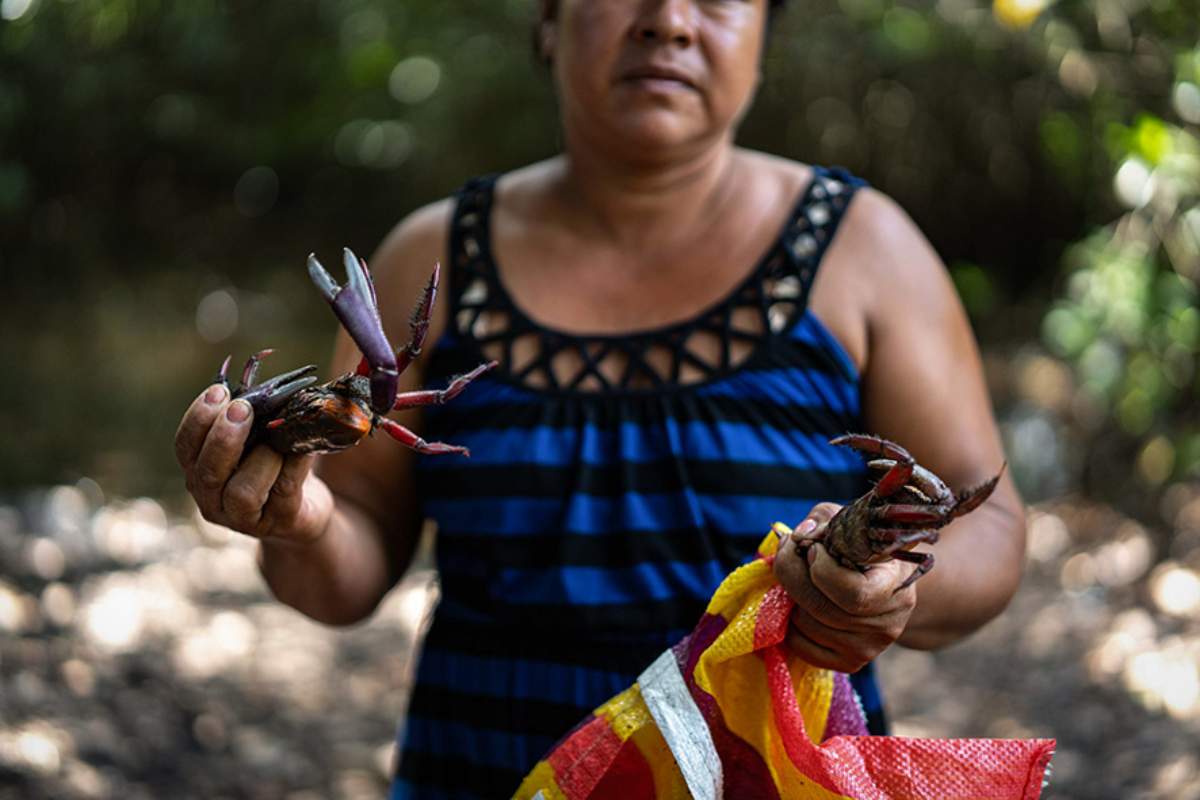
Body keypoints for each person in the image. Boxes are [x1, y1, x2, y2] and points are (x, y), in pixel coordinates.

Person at [174, 0, 1027, 796]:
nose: (668, 20)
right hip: (485, 768)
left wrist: (884, 589)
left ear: (767, 31)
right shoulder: (434, 259)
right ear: (548, 19)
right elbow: (345, 564)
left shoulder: (868, 250)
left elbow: (985, 520)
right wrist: (298, 519)